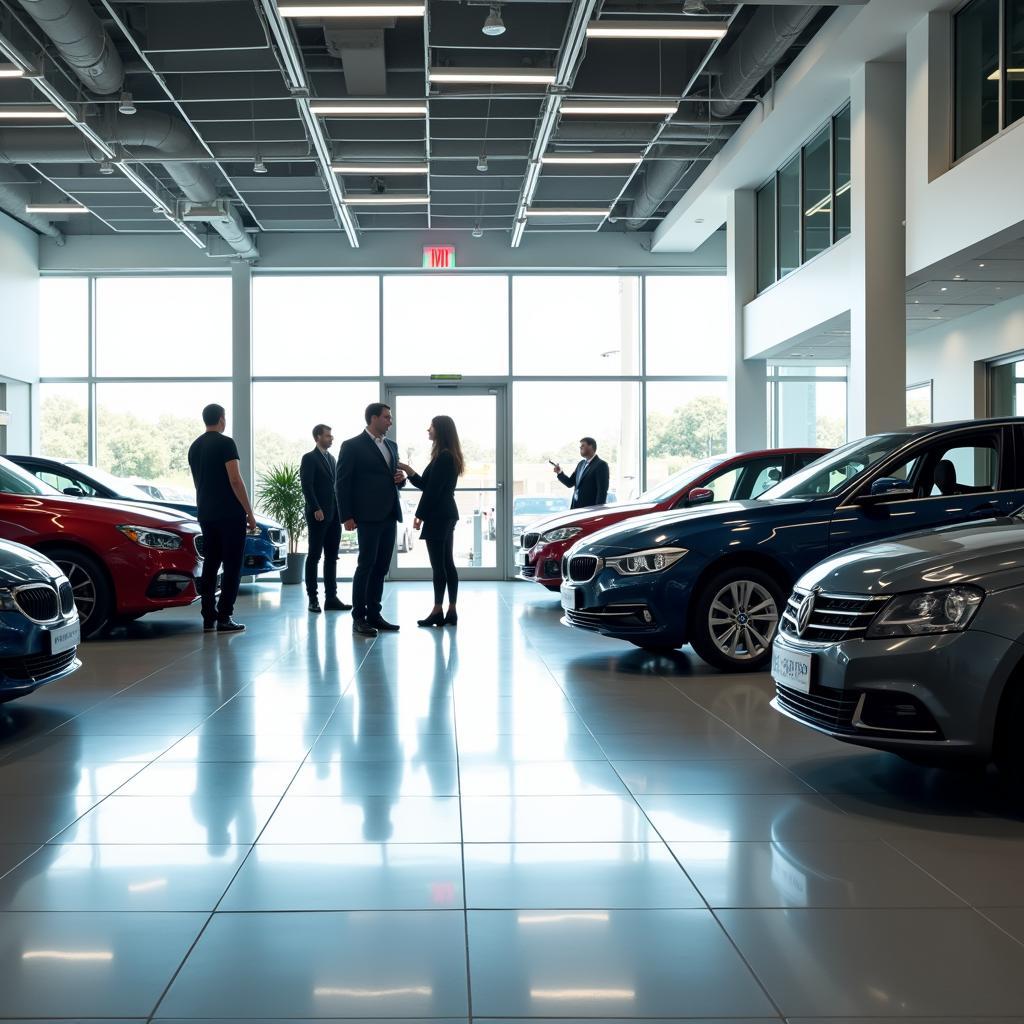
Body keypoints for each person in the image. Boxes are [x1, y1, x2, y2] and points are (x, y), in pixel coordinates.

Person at [336, 402, 406, 637]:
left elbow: (395, 478)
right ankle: (360, 618)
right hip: (366, 516)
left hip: (389, 514)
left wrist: (401, 478)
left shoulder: (392, 445)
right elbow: (342, 483)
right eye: (387, 417)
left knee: (381, 567)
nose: (390, 421)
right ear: (373, 418)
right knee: (366, 565)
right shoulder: (352, 446)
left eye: (391, 417)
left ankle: (375, 614)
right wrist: (346, 515)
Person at [187, 403, 257, 633]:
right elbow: (235, 480)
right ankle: (225, 616)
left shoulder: (194, 447)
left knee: (211, 563)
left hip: (206, 513)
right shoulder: (226, 443)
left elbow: (199, 484)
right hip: (229, 514)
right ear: (221, 419)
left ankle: (208, 616)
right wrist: (249, 512)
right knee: (232, 565)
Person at [397, 415, 463, 628]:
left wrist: (420, 515)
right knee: (446, 563)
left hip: (438, 514)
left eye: (431, 426)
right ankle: (450, 610)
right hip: (445, 513)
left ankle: (438, 610)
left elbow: (433, 491)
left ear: (440, 430)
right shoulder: (445, 455)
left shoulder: (444, 457)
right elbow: (427, 484)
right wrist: (408, 469)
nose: (428, 429)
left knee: (439, 566)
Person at [299, 424, 352, 615]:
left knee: (332, 557)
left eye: (331, 435)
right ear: (318, 437)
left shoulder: (332, 458)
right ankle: (313, 598)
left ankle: (331, 598)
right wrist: (316, 508)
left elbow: (337, 487)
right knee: (314, 556)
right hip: (318, 515)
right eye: (328, 436)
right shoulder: (309, 458)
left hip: (334, 514)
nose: (332, 438)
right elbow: (307, 485)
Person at [553, 436, 610, 509]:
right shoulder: (581, 464)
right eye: (580, 446)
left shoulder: (601, 465)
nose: (580, 447)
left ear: (591, 447)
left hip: (589, 511)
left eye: (583, 445)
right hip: (575, 508)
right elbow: (570, 483)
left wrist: (597, 512)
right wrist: (560, 473)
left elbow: (602, 492)